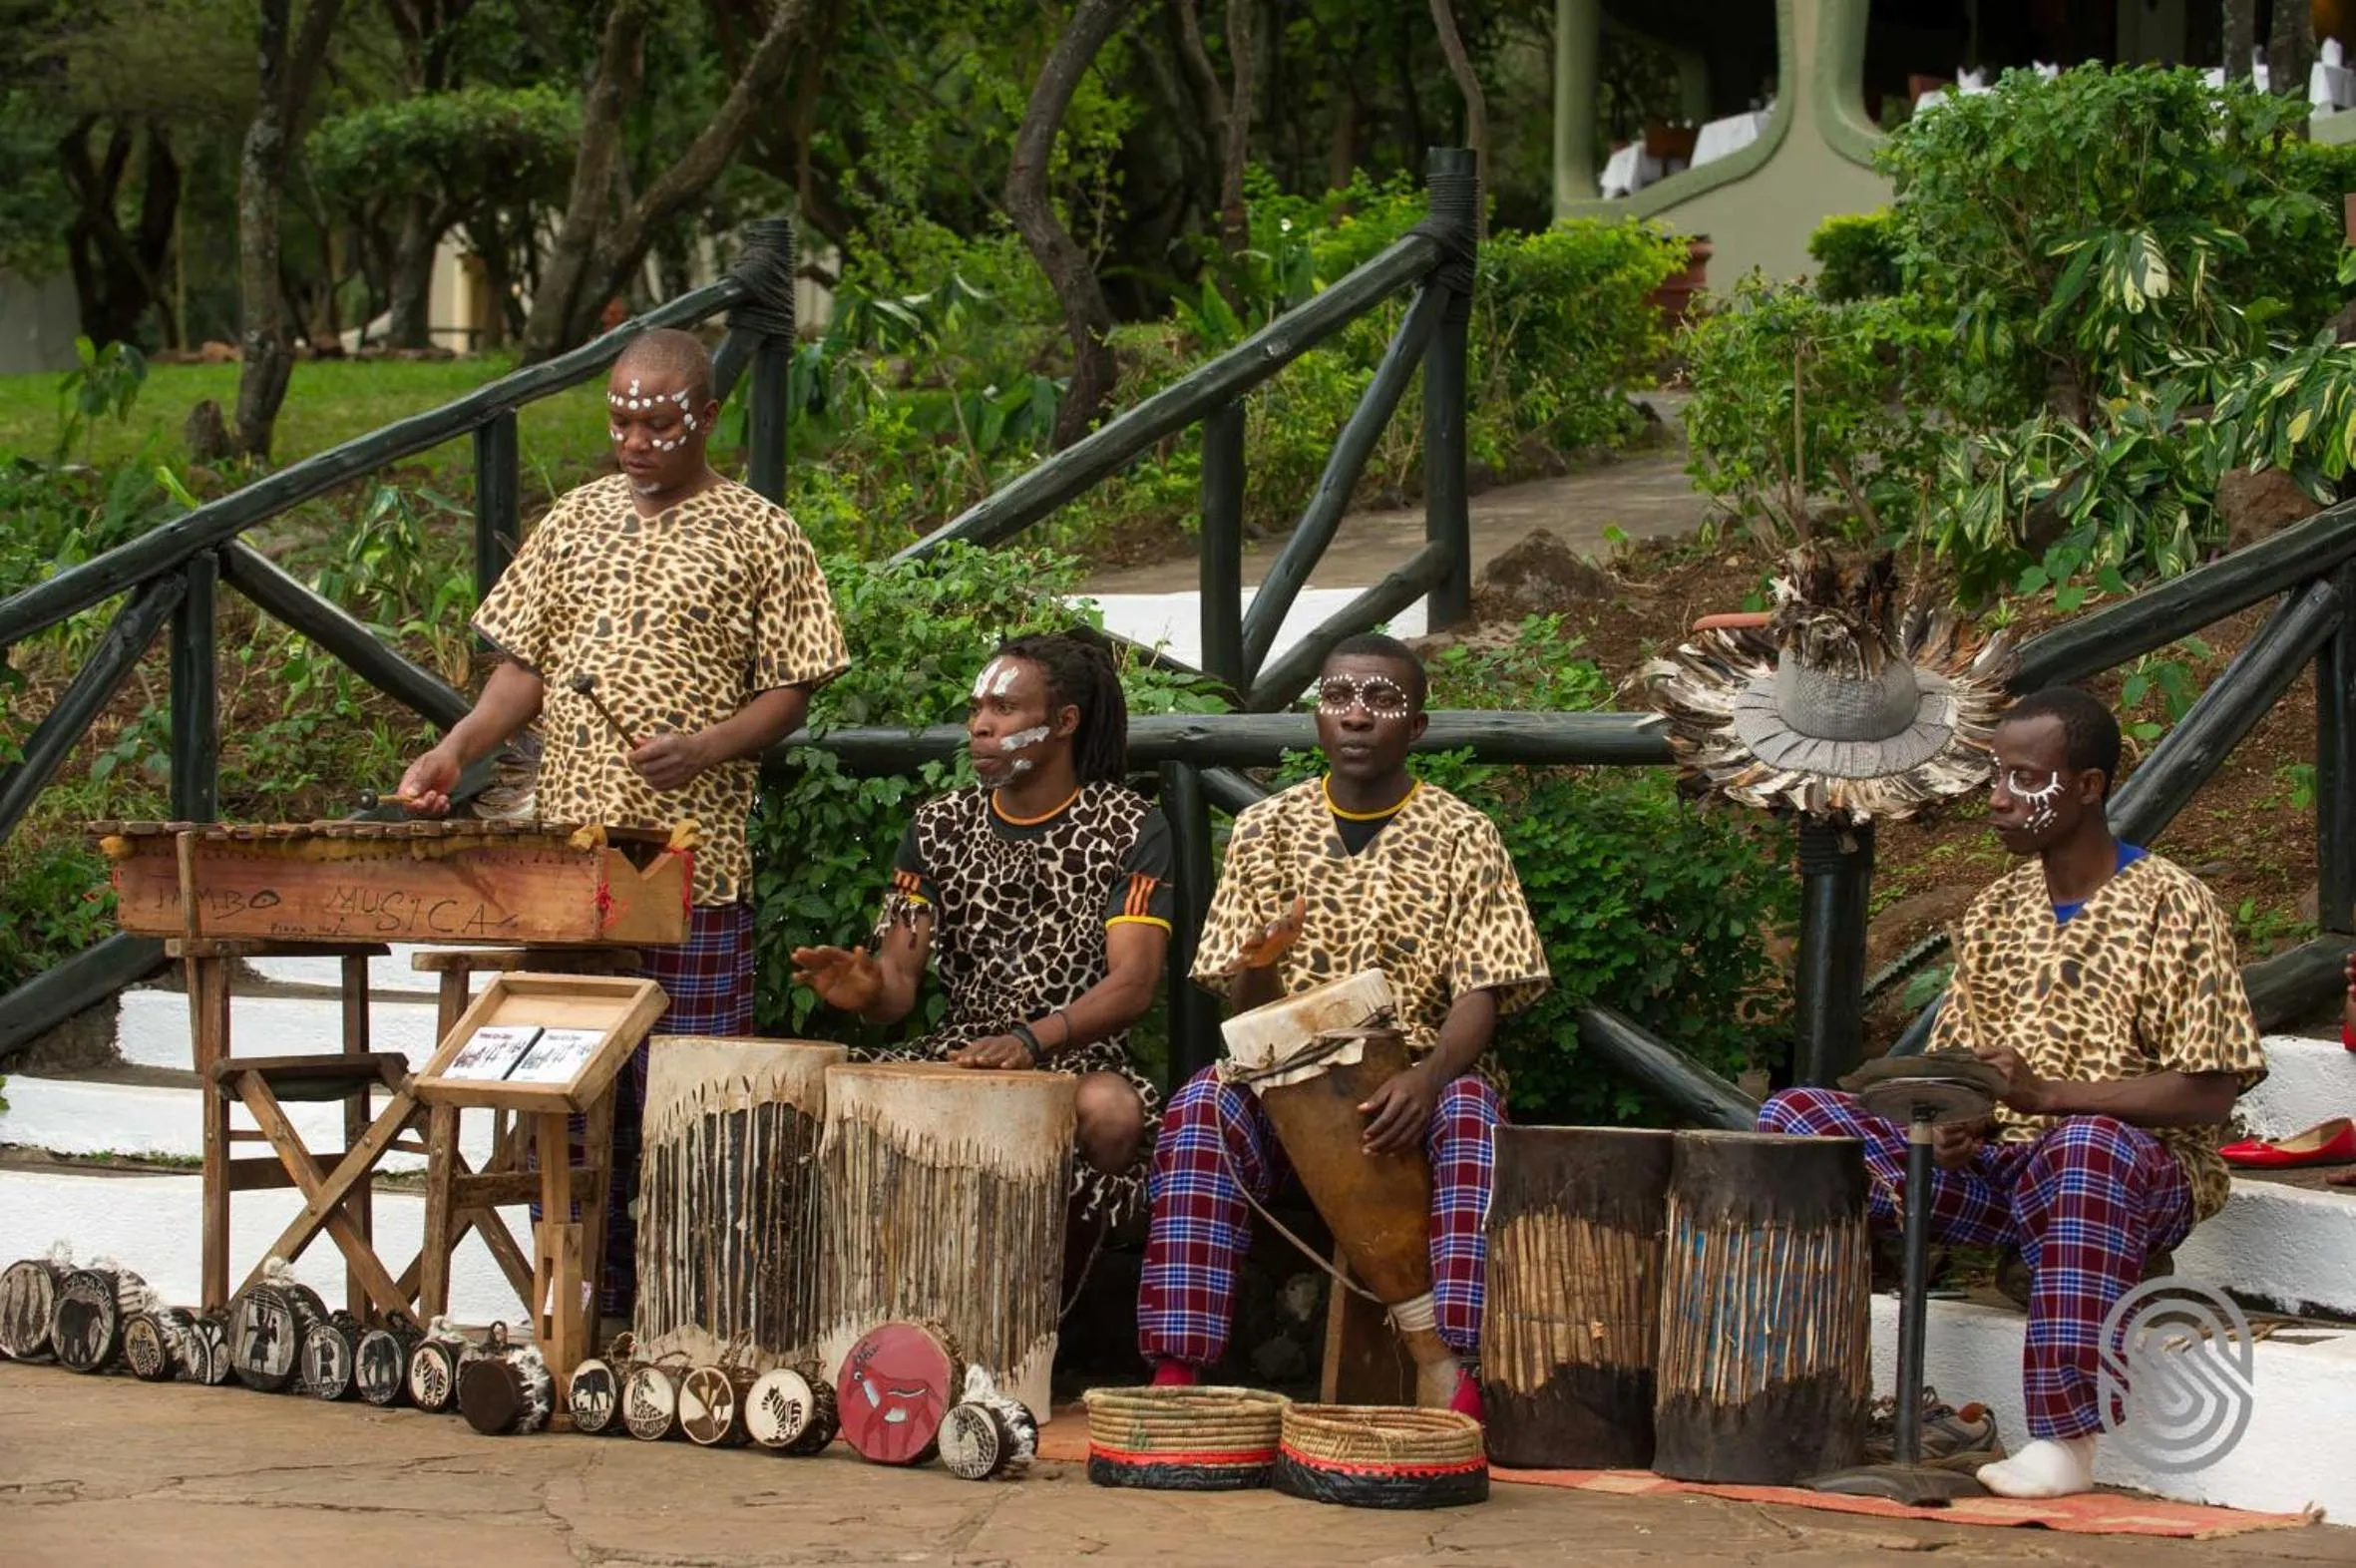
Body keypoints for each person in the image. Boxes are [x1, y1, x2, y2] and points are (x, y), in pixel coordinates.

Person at [397, 327, 850, 1313]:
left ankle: (683, 1315)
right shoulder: (572, 520)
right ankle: (574, 1309)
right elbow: (521, 673)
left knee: (683, 1105)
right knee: (566, 1096)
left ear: (705, 417)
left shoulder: (761, 532)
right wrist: (456, 750)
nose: (634, 439)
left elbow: (792, 690)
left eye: (656, 421)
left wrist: (709, 745)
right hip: (571, 870)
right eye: (620, 420)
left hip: (691, 867)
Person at [1758, 685, 2265, 1499]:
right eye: (1995, 775)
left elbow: (2209, 1092)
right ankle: (1798, 1391)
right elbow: (1963, 1067)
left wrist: (2053, 1097)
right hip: (2008, 1172)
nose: (1998, 798)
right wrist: (1957, 1120)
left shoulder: (2177, 904)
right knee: (1796, 1116)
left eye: (2025, 778)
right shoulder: (1995, 910)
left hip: (2135, 1173)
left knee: (2085, 1147)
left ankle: (2067, 1440)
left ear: (2090, 786)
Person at [1136, 633, 1552, 1414]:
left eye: (1382, 701)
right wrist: (1261, 960)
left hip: (1417, 1080)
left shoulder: (1465, 834)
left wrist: (1426, 1081)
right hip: (1283, 1083)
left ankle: (1459, 1368)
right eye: (1338, 698)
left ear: (1417, 726)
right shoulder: (1267, 829)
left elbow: (1485, 991)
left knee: (1471, 1113)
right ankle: (1177, 1373)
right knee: (1200, 1108)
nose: (1357, 715)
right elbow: (1244, 1011)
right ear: (1317, 718)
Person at [790, 632, 1165, 1224]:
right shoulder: (938, 825)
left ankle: (1059, 1291)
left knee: (1112, 1111)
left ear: (1064, 721)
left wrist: (1031, 1041)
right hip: (960, 1054)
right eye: (977, 710)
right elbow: (897, 984)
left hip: (1077, 1056)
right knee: (810, 1093)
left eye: (1004, 708)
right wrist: (868, 991)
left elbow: (1134, 983)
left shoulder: (1128, 826)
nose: (981, 727)